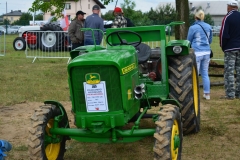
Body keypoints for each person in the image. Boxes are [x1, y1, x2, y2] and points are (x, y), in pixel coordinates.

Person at [187, 9, 212, 100]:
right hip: (207, 52)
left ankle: (194, 94)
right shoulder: (208, 26)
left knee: (195, 74)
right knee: (205, 73)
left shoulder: (193, 28)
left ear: (195, 17)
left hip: (197, 52)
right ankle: (207, 93)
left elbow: (188, 41)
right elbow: (210, 41)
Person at [219, 0, 240, 100]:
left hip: (230, 48)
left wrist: (223, 47)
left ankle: (230, 94)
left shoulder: (227, 17)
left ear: (229, 7)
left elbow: (223, 34)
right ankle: (239, 93)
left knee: (229, 72)